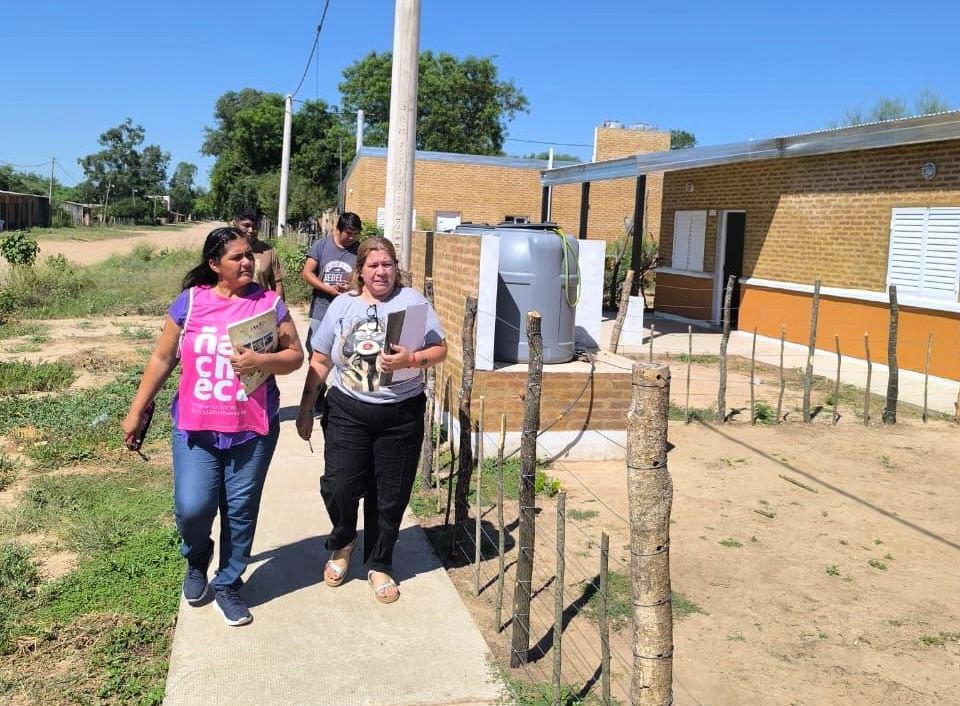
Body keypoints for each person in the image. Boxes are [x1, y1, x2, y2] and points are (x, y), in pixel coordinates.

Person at [122, 227, 304, 626]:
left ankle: (228, 584)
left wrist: (261, 361)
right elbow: (162, 358)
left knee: (240, 511)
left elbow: (295, 356)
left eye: (249, 255)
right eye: (237, 257)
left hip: (251, 429)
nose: (247, 262)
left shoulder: (269, 304)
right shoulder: (191, 302)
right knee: (192, 508)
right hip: (196, 428)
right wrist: (137, 409)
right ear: (214, 264)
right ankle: (197, 558)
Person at [296, 237, 447, 604]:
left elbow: (440, 349)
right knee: (339, 485)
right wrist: (305, 407)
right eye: (374, 265)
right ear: (360, 271)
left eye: (388, 264)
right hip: (348, 410)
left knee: (389, 495)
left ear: (396, 267)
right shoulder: (342, 305)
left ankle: (379, 563)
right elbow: (320, 359)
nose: (381, 271)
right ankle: (344, 539)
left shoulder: (413, 302)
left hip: (400, 414)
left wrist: (412, 360)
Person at [300, 212, 361, 413]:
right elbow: (307, 273)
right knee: (316, 351)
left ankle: (343, 392)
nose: (352, 238)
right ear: (338, 230)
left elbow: (363, 277)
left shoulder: (359, 250)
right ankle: (318, 390)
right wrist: (327, 288)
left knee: (346, 351)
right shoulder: (322, 245)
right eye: (348, 233)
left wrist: (352, 286)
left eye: (355, 234)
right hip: (322, 308)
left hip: (349, 310)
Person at [234, 208, 285, 300]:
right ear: (235, 224)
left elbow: (277, 284)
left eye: (255, 227)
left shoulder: (268, 251)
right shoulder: (225, 250)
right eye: (246, 225)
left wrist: (280, 306)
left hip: (260, 305)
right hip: (233, 306)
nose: (251, 230)